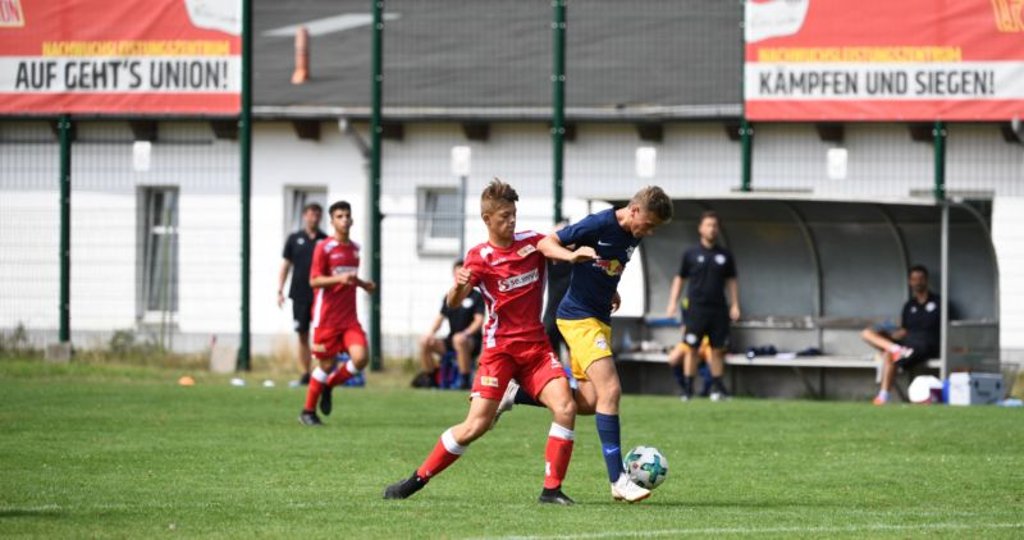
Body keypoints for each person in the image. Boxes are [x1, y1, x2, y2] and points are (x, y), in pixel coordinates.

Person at [383, 179, 592, 505]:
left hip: (536, 349)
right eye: (504, 216)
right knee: (476, 425)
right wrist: (458, 286)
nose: (511, 221)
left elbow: (548, 247)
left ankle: (551, 490)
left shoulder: (531, 242)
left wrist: (569, 255)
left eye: (513, 215)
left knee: (566, 407)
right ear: (487, 219)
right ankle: (417, 479)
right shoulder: (479, 257)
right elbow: (454, 302)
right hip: (500, 352)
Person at [498, 186, 674, 503]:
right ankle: (618, 480)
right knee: (612, 391)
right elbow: (547, 242)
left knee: (590, 402)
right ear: (634, 210)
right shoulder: (599, 224)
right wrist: (571, 255)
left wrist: (610, 287)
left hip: (599, 317)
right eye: (647, 224)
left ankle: (515, 392)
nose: (648, 231)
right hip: (579, 319)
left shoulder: (633, 233)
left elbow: (609, 264)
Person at [298, 201, 377, 426]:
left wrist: (363, 284)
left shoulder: (354, 249)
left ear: (352, 220)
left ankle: (330, 385)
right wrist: (338, 279)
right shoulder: (323, 247)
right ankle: (307, 411)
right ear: (332, 221)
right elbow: (314, 280)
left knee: (361, 358)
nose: (344, 220)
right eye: (339, 216)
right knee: (325, 365)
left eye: (347, 216)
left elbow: (349, 279)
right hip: (327, 318)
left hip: (349, 318)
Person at [664, 210, 740, 402]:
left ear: (718, 229)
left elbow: (732, 281)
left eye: (714, 226)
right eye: (708, 225)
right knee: (691, 348)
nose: (712, 229)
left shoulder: (725, 255)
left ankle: (717, 389)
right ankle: (688, 389)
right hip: (696, 309)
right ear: (700, 228)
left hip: (718, 309)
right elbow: (679, 279)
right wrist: (672, 303)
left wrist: (735, 305)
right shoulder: (690, 254)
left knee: (717, 350)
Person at [861, 265, 941, 405]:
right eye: (914, 279)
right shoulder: (909, 305)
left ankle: (884, 396)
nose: (917, 282)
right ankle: (895, 349)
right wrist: (887, 334)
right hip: (907, 343)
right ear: (910, 282)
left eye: (920, 279)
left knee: (888, 355)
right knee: (867, 333)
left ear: (926, 280)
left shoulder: (938, 302)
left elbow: (947, 328)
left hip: (926, 344)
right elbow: (905, 330)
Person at [278, 203, 328, 386]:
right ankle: (305, 373)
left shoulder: (326, 240)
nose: (313, 217)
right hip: (299, 294)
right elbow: (286, 266)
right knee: (302, 334)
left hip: (320, 295)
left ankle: (320, 373)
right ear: (304, 216)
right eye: (310, 214)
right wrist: (279, 290)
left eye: (317, 214)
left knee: (321, 335)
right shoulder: (294, 238)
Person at [416, 259, 485, 389]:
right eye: (457, 274)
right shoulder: (450, 296)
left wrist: (465, 334)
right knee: (424, 342)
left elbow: (479, 321)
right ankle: (431, 379)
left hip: (470, 341)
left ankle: (464, 380)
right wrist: (430, 334)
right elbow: (440, 319)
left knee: (459, 340)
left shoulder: (476, 297)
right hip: (451, 339)